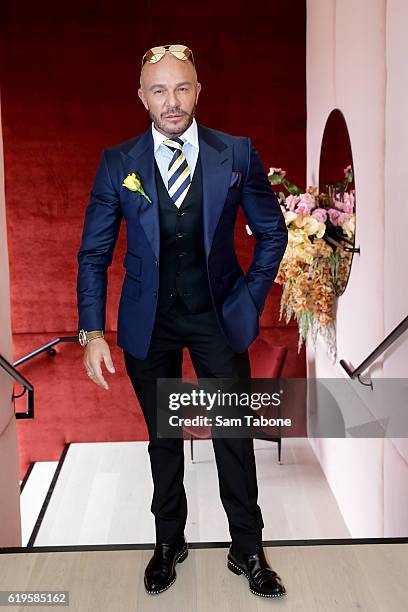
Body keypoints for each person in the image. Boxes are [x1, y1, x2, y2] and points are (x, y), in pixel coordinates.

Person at [77, 44, 288, 598]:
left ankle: (247, 548)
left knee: (233, 437)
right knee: (163, 438)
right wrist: (92, 331)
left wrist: (250, 297)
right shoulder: (118, 163)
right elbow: (94, 255)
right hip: (151, 324)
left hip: (218, 317)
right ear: (142, 97)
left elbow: (273, 233)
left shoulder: (236, 153)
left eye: (182, 88)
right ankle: (169, 542)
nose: (172, 102)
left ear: (199, 90)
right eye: (159, 90)